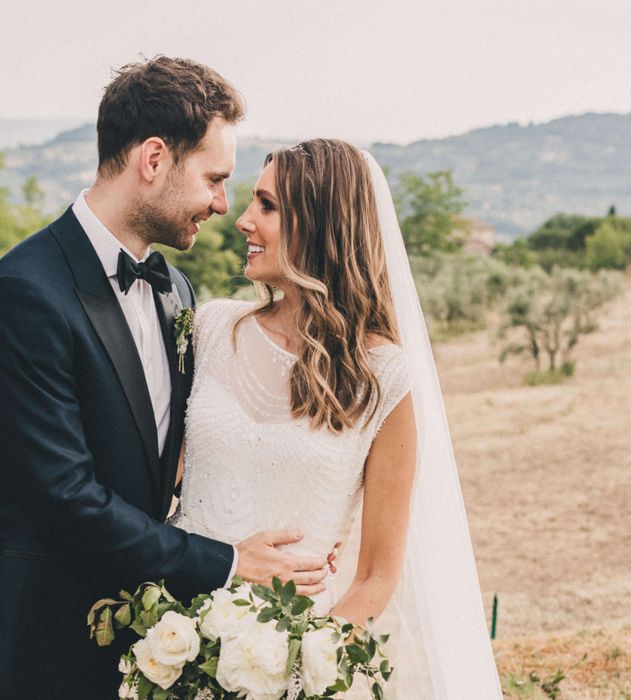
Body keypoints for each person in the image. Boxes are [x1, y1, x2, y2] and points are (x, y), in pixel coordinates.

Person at [0, 57, 330, 699]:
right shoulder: (25, 290)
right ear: (153, 159)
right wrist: (231, 563)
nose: (222, 204)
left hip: (157, 640)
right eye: (214, 178)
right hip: (47, 642)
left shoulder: (175, 289)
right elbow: (64, 495)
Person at [172, 139, 503, 698]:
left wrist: (299, 667)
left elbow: (376, 574)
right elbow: (160, 484)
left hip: (287, 661)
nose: (244, 221)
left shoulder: (384, 378)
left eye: (268, 206)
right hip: (171, 640)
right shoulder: (210, 330)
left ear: (323, 225)